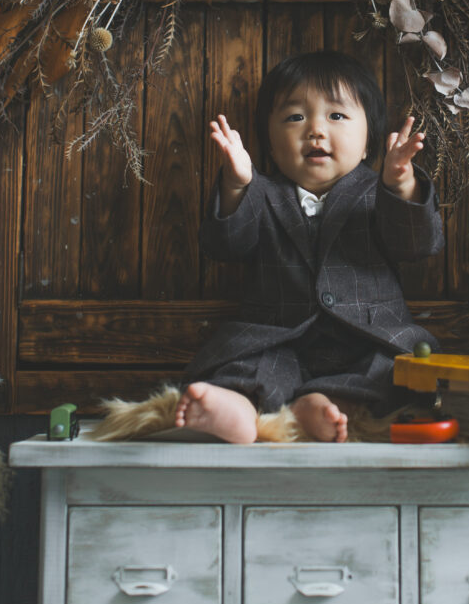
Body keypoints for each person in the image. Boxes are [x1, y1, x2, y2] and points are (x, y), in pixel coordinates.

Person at [175, 51, 444, 443]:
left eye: (337, 116)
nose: (315, 130)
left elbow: (418, 245)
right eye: (294, 117)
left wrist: (401, 185)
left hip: (366, 337)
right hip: (275, 335)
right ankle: (236, 408)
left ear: (369, 138)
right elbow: (224, 246)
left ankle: (325, 403)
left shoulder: (378, 193)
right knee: (249, 366)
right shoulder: (261, 192)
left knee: (392, 370)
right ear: (269, 139)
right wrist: (235, 185)